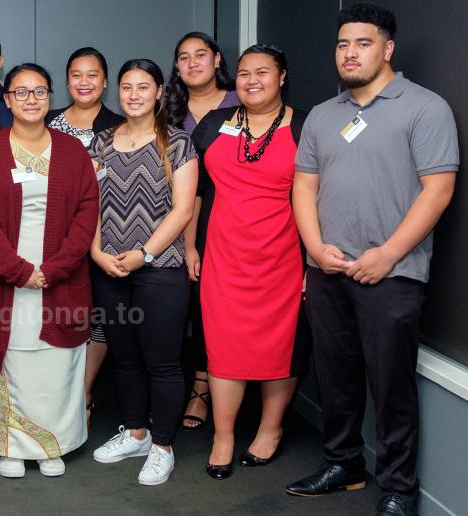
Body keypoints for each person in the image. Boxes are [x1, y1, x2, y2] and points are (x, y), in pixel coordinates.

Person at [286, 5, 458, 515]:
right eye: (342, 44)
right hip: (328, 269)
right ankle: (344, 465)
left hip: (392, 274)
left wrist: (388, 254)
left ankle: (400, 489)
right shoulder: (323, 114)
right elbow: (304, 186)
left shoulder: (425, 108)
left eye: (362, 43)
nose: (350, 53)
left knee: (392, 386)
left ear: (387, 49)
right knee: (335, 376)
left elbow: (439, 189)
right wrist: (315, 249)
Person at [0, 63, 98, 478]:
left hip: (61, 275)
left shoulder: (72, 151)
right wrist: (18, 269)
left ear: (49, 97)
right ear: (6, 100)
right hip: (7, 276)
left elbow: (86, 212)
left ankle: (52, 446)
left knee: (56, 364)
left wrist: (55, 268)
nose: (30, 100)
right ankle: (10, 446)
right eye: (20, 93)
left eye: (39, 91)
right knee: (12, 358)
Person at [189, 45, 308, 480]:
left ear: (282, 77)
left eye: (262, 72)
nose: (251, 80)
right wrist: (189, 246)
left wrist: (312, 261)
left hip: (282, 255)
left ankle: (270, 429)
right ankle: (223, 436)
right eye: (243, 73)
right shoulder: (215, 123)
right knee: (223, 346)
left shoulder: (305, 125)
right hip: (223, 254)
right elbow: (195, 190)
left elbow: (318, 197)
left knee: (280, 344)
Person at [89, 59, 198, 486]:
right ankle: (135, 432)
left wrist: (144, 255)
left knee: (163, 362)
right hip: (108, 267)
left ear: (158, 93)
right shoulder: (100, 142)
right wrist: (96, 252)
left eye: (143, 87)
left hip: (159, 269)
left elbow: (183, 209)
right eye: (127, 87)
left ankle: (163, 445)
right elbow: (89, 204)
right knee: (125, 357)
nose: (133, 94)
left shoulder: (178, 143)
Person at [45, 48, 123, 427]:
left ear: (105, 81)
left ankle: (83, 391)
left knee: (98, 313)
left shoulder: (121, 125)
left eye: (93, 75)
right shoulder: (46, 121)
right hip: (48, 232)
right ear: (67, 81)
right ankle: (55, 388)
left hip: (102, 230)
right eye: (76, 75)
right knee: (58, 309)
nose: (84, 82)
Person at [165, 31, 239, 432]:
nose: (192, 63)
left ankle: (204, 386)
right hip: (173, 218)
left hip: (224, 216)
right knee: (185, 305)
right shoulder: (168, 110)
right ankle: (189, 383)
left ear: (217, 59)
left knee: (217, 306)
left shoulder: (241, 104)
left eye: (200, 55)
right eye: (183, 57)